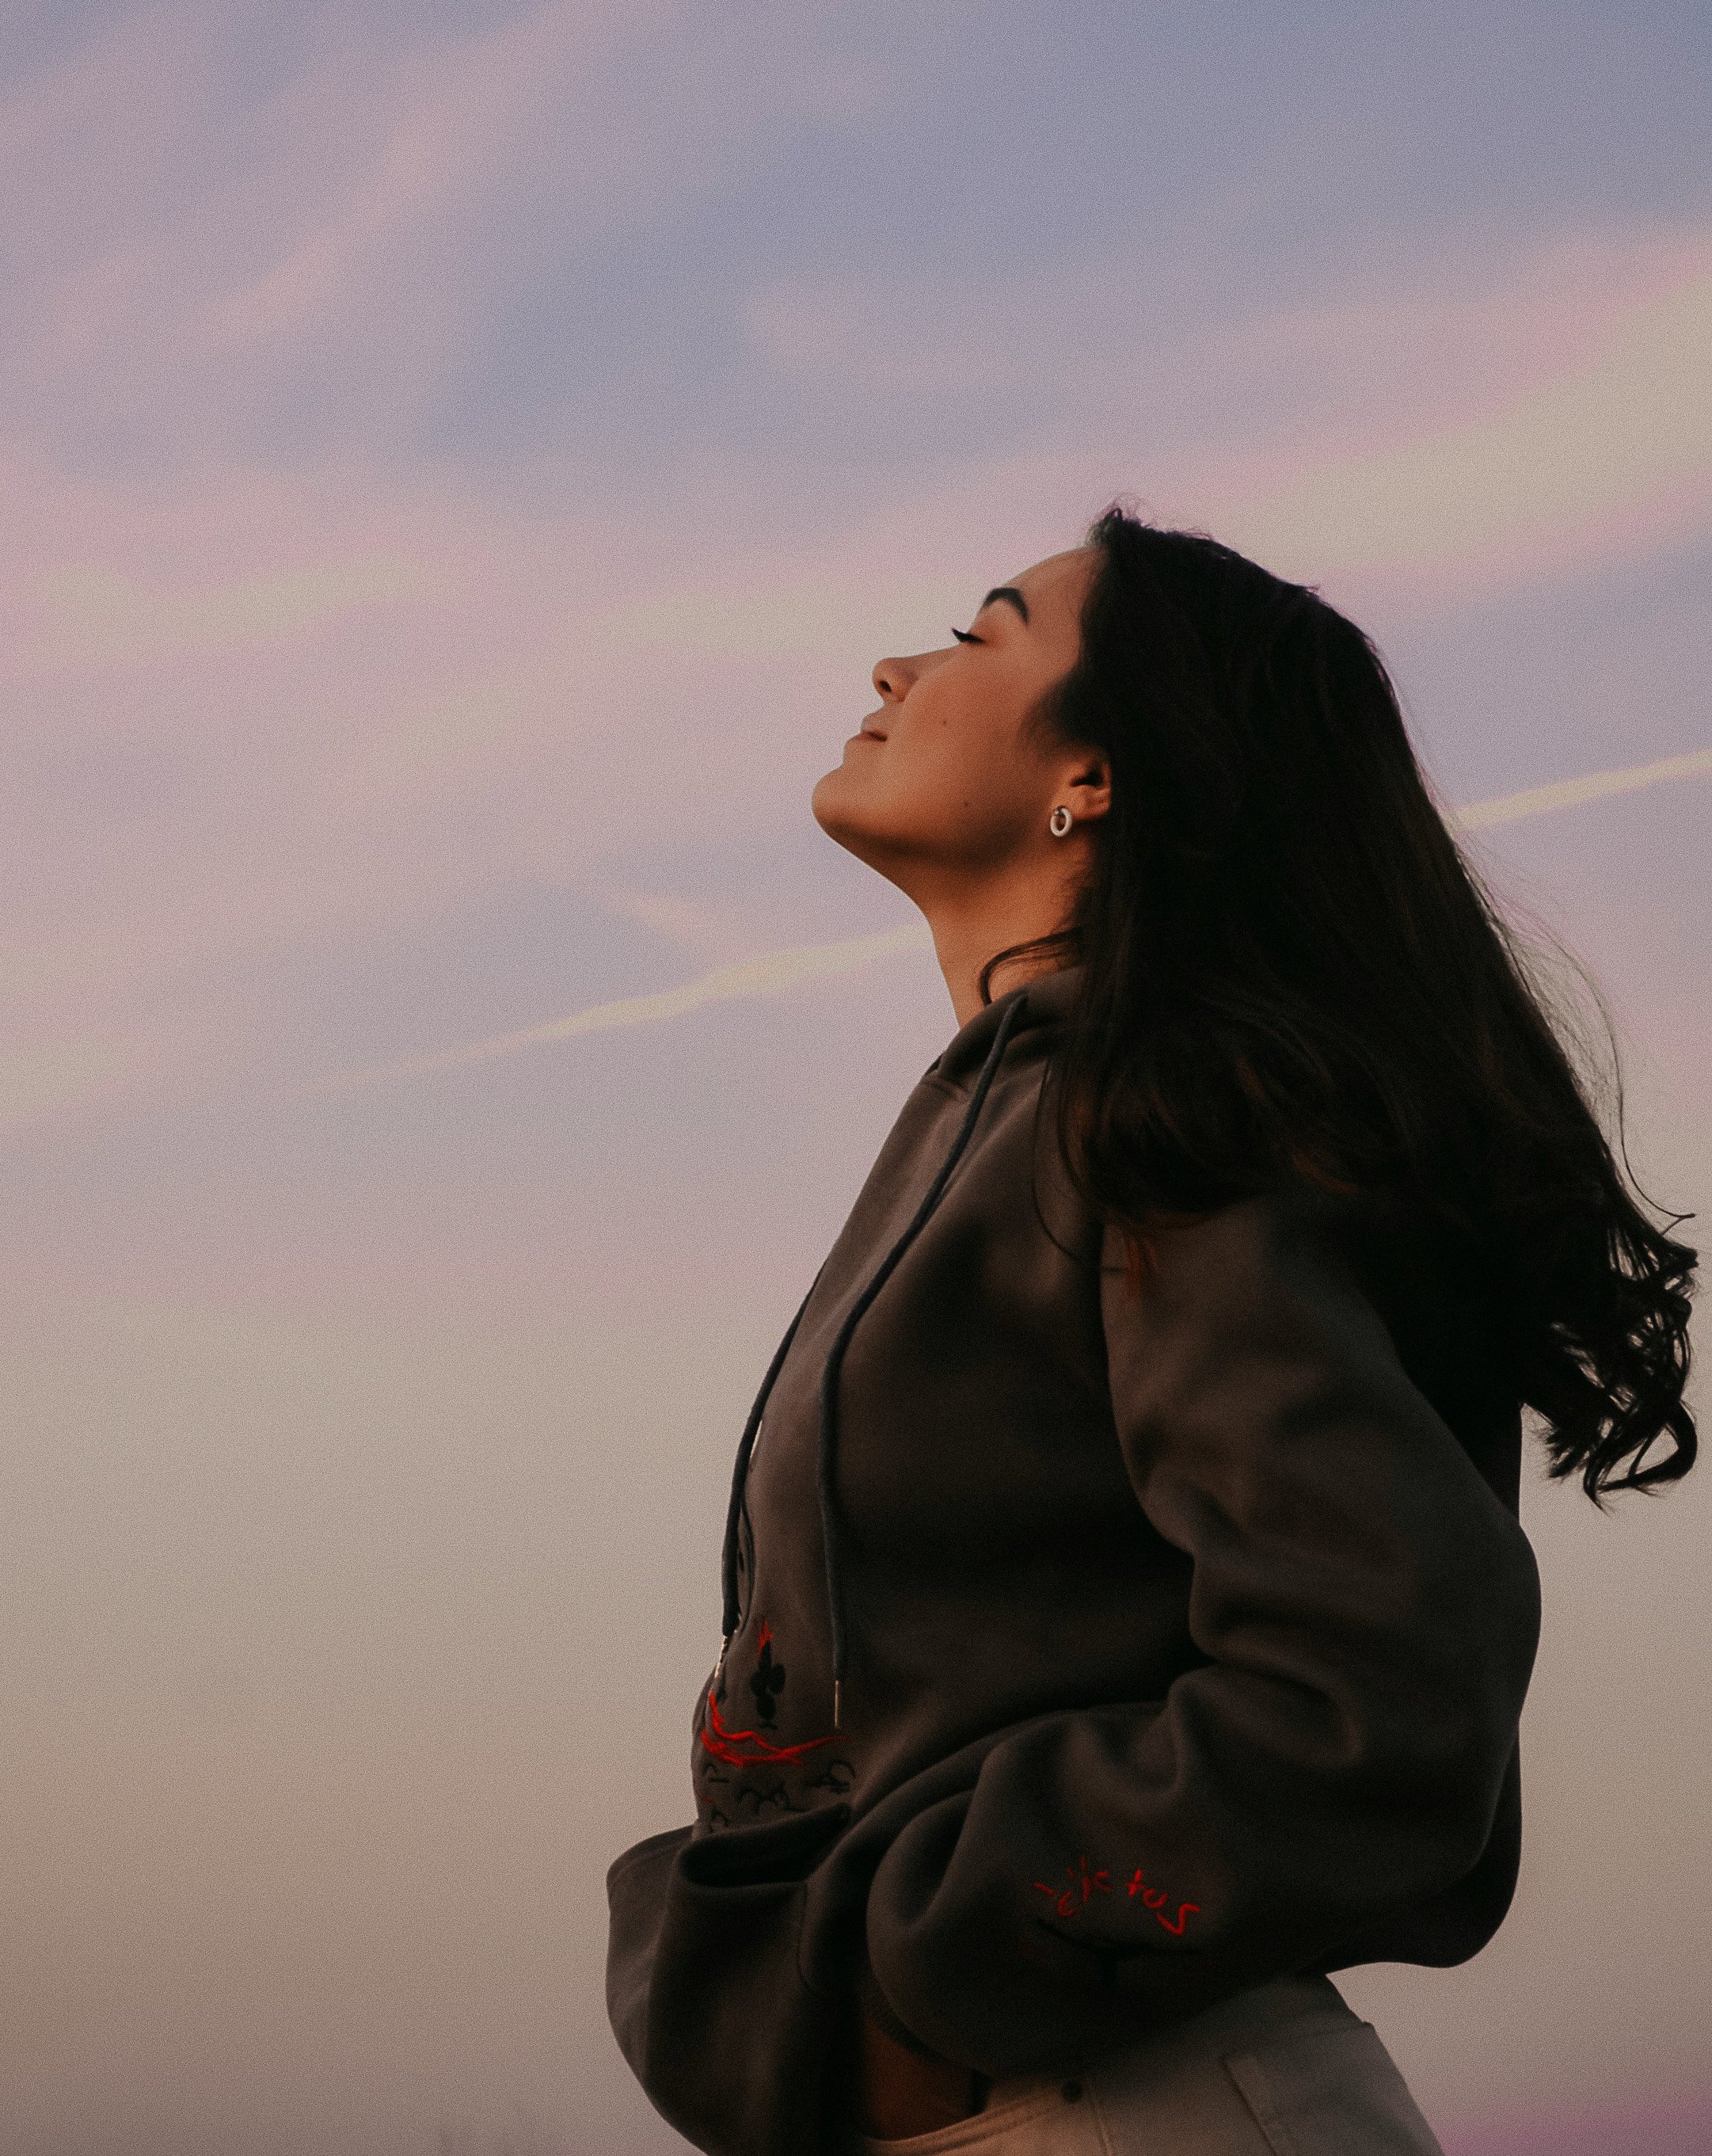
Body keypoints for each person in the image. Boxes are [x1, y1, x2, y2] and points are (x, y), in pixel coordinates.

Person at [605, 509, 1696, 2156]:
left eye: (977, 635)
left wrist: (928, 1965)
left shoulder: (1171, 1122)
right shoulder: (1012, 1120)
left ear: (1094, 773)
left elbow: (1374, 1702)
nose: (894, 665)